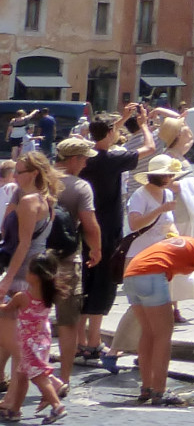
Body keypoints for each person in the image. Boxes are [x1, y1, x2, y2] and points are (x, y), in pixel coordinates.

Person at [76, 108, 152, 373]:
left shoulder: (85, 156)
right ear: (110, 133)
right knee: (102, 286)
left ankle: (81, 341)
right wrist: (142, 126)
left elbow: (99, 138)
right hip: (107, 229)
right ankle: (94, 342)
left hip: (83, 227)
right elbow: (150, 148)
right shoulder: (112, 159)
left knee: (84, 283)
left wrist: (114, 124)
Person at [120, 233, 194, 407]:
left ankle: (147, 387)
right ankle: (160, 391)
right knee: (163, 335)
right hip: (152, 275)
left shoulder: (191, 242)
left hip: (130, 275)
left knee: (148, 333)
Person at [0, 152, 59, 414]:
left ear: (34, 173)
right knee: (15, 338)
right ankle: (12, 403)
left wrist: (7, 281)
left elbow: (23, 245)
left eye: (20, 171)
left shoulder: (28, 202)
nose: (15, 176)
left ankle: (50, 381)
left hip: (22, 275)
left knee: (15, 340)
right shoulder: (47, 200)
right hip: (35, 275)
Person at [50, 138, 101, 385]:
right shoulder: (80, 186)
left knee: (23, 319)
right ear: (73, 159)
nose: (86, 163)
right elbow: (89, 225)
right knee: (68, 321)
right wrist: (97, 250)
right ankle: (65, 378)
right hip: (67, 260)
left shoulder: (36, 181)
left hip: (34, 259)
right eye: (84, 159)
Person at [0, 256, 66, 421]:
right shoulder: (48, 295)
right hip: (42, 339)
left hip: (28, 342)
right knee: (22, 376)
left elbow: (7, 309)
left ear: (35, 276)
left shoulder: (22, 297)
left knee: (37, 376)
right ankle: (14, 410)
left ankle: (57, 406)